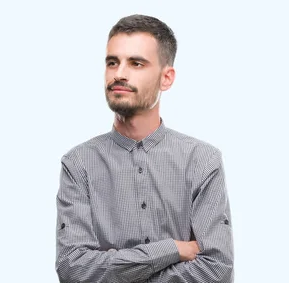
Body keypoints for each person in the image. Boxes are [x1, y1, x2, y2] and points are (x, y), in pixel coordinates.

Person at [55, 14, 234, 283]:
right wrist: (172, 249)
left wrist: (118, 272)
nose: (119, 74)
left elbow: (216, 270)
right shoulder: (79, 164)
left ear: (166, 78)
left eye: (136, 63)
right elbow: (74, 269)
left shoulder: (202, 161)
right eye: (112, 62)